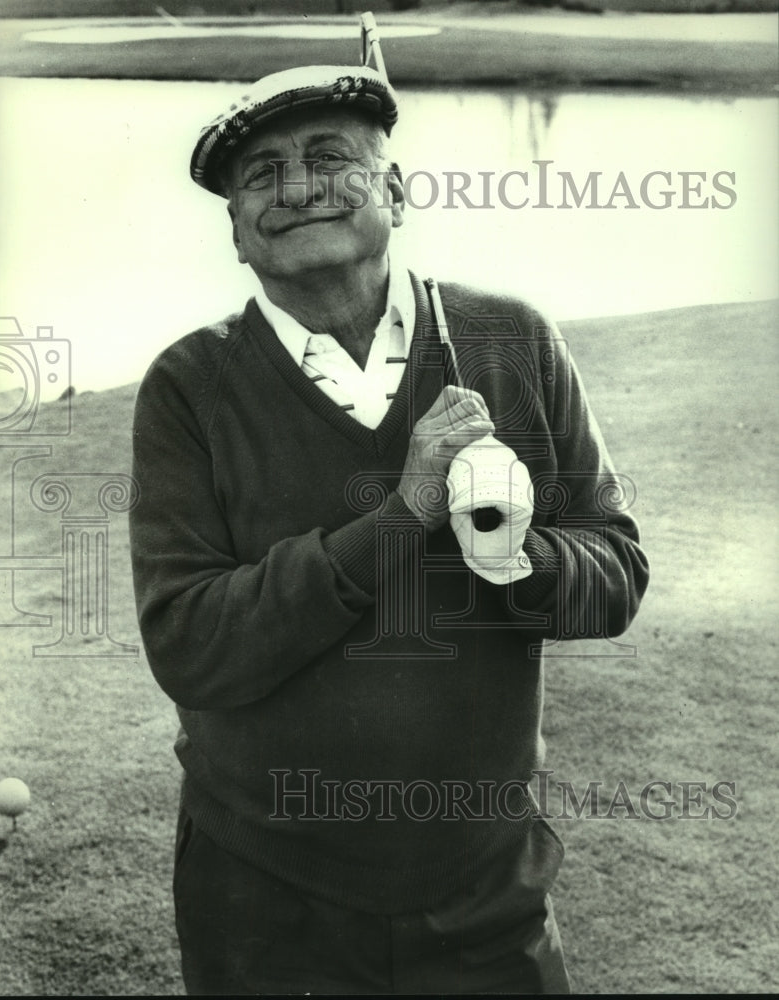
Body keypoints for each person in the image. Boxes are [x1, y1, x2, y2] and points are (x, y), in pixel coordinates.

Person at [129, 63, 649, 995]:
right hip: (263, 893)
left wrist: (516, 555)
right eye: (260, 176)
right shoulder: (187, 385)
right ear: (239, 234)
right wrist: (401, 518)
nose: (295, 188)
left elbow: (617, 569)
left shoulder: (512, 338)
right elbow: (191, 644)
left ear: (398, 192)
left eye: (332, 157)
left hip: (486, 881)